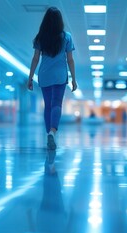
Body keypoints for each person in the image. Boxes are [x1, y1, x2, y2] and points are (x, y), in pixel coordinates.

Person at [27, 7, 77, 150]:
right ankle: (52, 132)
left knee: (48, 105)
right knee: (57, 104)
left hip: (45, 75)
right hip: (60, 75)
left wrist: (30, 78)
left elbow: (35, 58)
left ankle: (48, 133)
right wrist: (73, 78)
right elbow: (70, 60)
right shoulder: (67, 37)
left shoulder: (40, 37)